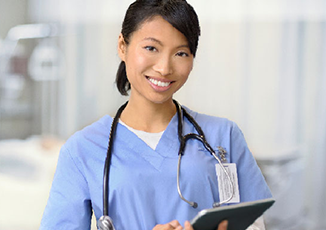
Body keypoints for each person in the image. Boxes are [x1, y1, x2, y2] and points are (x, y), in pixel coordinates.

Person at [40, 0, 272, 229]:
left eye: (180, 53)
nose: (164, 68)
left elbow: (254, 223)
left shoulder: (223, 136)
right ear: (123, 46)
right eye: (151, 48)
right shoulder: (83, 149)